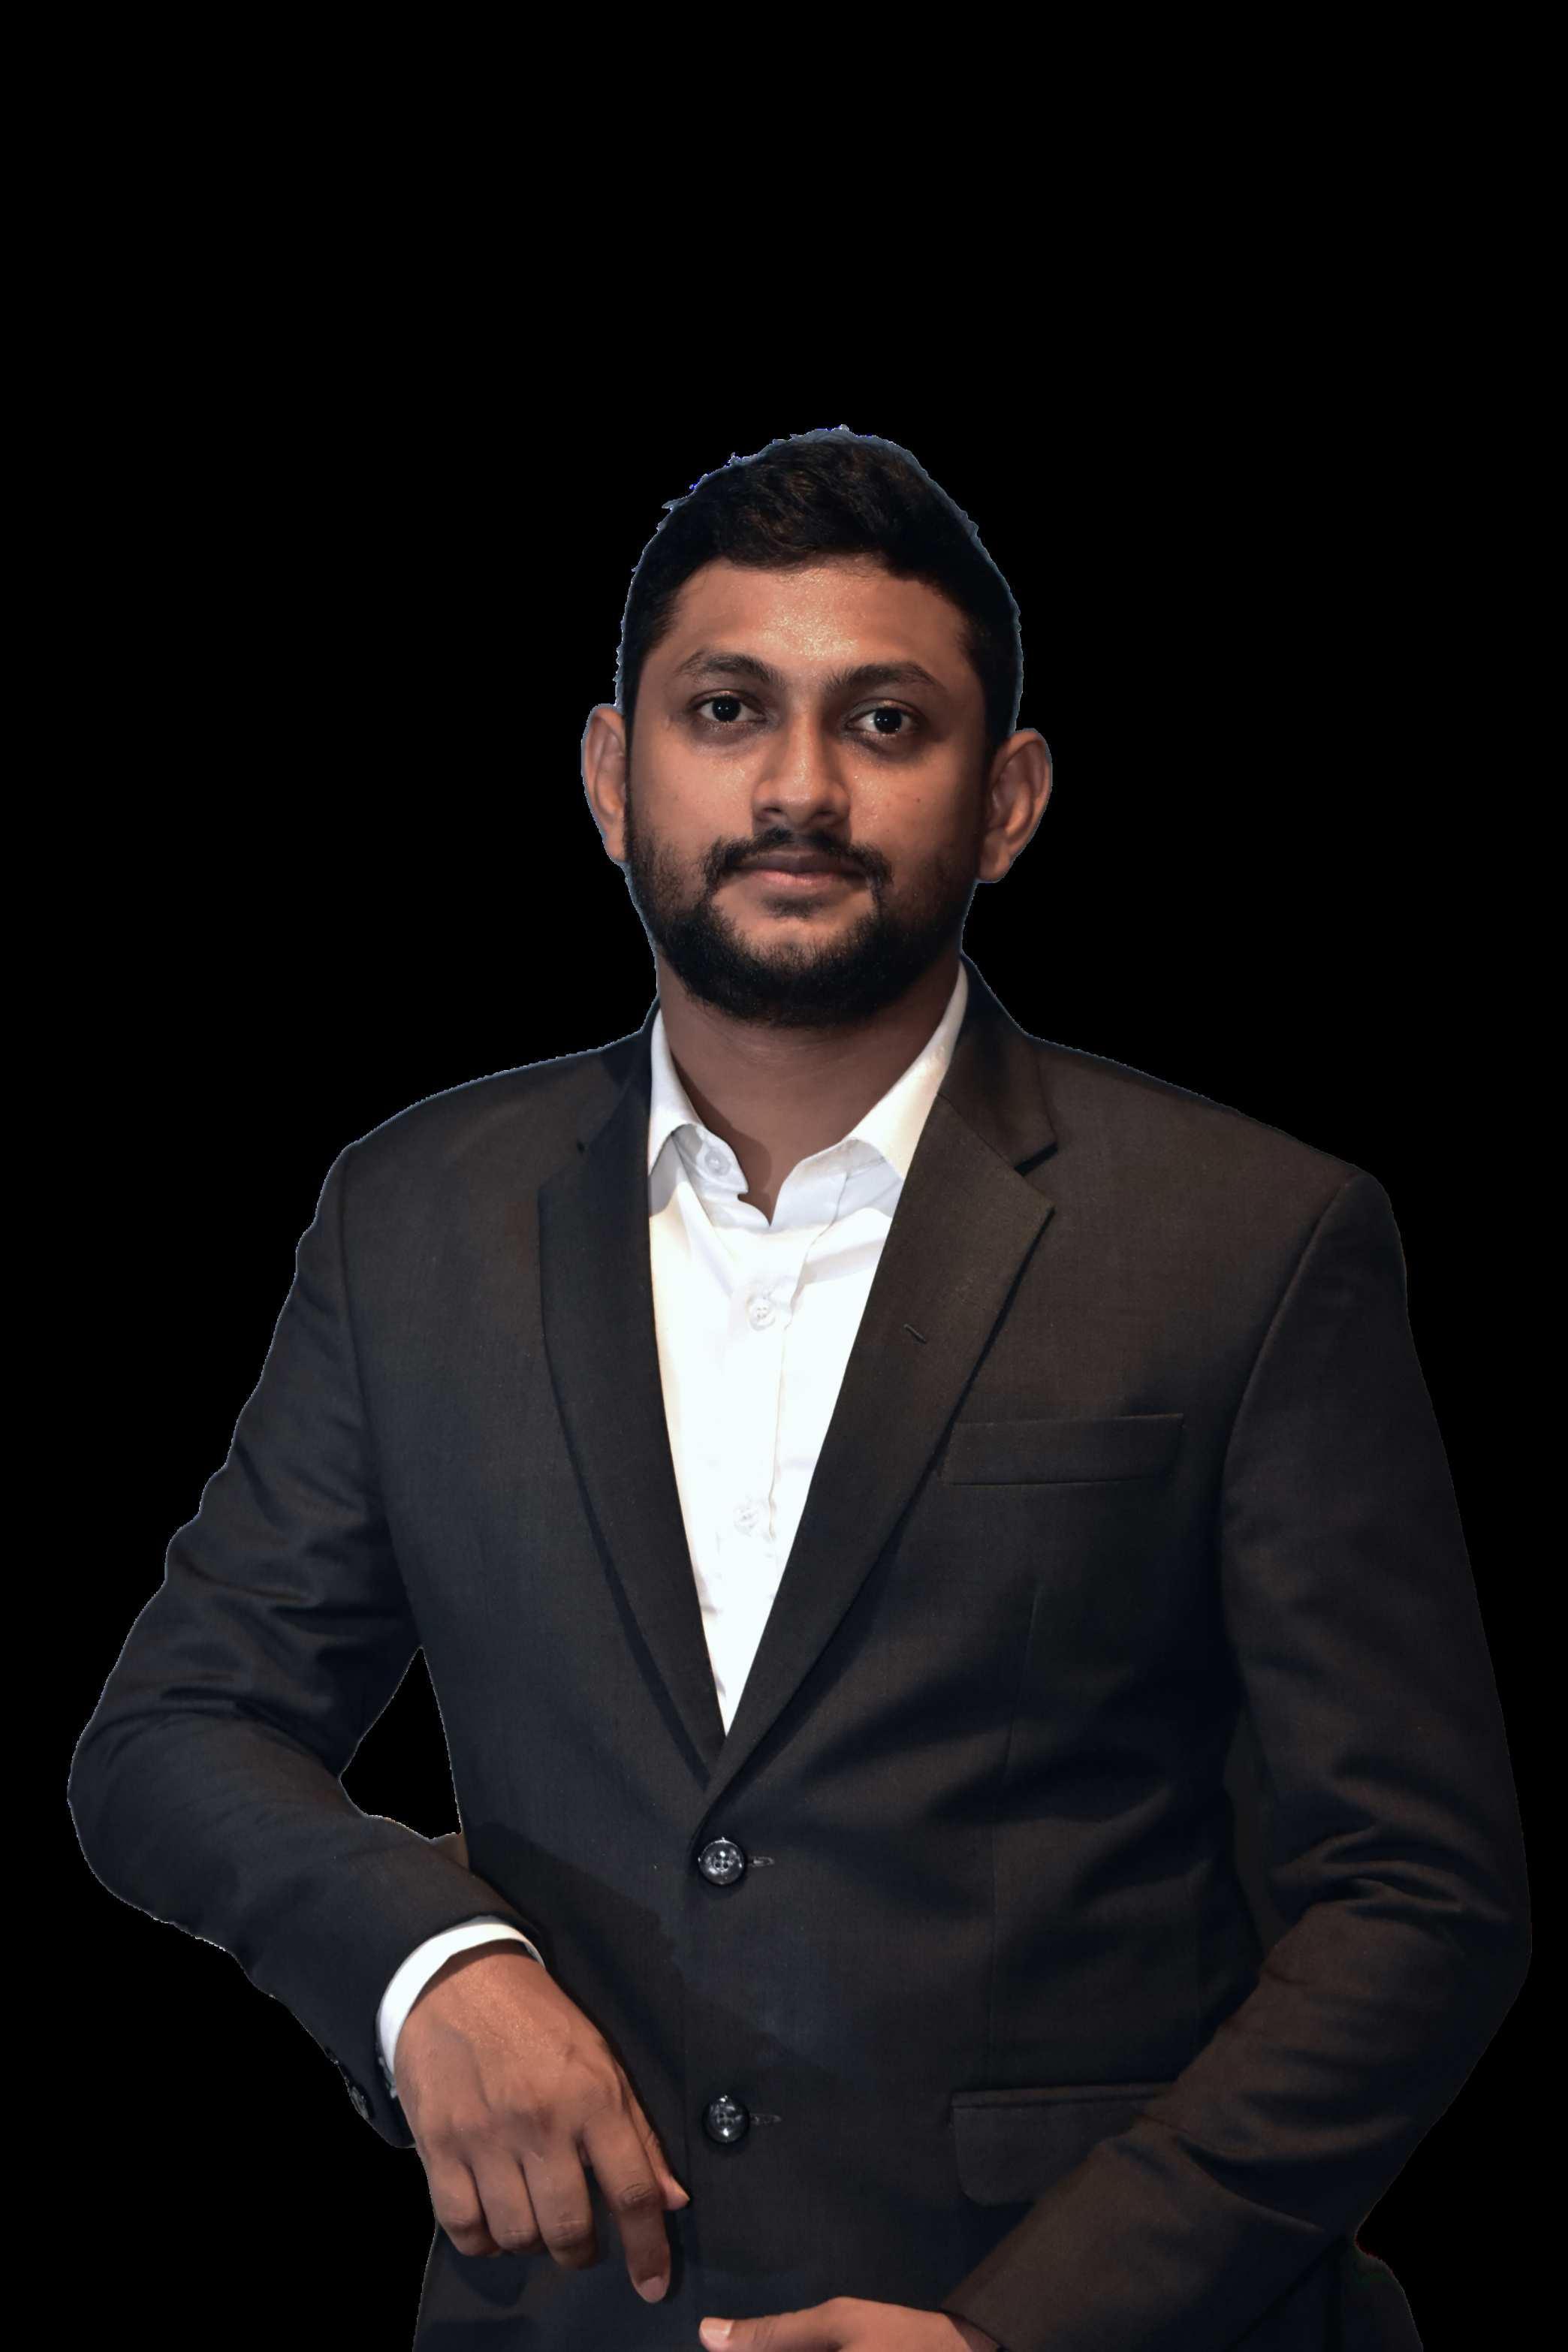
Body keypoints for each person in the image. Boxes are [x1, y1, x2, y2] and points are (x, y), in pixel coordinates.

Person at [68, 428, 1527, 2350]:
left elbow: (1416, 1898)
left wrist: (1030, 2329)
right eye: (728, 709)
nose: (799, 789)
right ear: (614, 777)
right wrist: (428, 1964)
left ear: (1007, 801)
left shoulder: (1256, 1239)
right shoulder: (413, 1215)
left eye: (887, 723)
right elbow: (176, 1730)